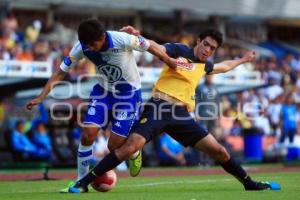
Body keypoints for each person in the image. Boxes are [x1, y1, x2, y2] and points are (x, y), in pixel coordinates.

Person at [67, 27, 281, 193]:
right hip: (158, 107)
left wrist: (244, 60)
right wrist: (138, 36)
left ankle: (249, 184)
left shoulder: (204, 66)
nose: (207, 50)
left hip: (181, 116)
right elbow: (157, 47)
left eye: (212, 48)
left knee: (220, 151)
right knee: (129, 147)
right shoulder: (180, 50)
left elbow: (224, 66)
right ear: (198, 41)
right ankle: (83, 182)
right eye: (205, 44)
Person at [25, 19, 176, 192]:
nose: (90, 49)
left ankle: (134, 151)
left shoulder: (122, 39)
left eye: (93, 44)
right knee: (87, 134)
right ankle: (80, 182)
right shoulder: (81, 47)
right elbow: (60, 72)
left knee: (114, 147)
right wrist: (41, 96)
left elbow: (149, 46)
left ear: (103, 36)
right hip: (103, 92)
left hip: (128, 95)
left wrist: (168, 60)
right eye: (86, 45)